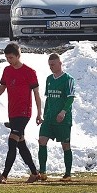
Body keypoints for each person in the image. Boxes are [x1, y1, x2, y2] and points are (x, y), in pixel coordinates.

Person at [0, 42, 42, 184]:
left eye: (11, 57)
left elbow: (36, 94)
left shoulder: (29, 72)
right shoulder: (7, 70)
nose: (8, 60)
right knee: (21, 144)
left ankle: (4, 175)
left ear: (18, 56)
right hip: (12, 112)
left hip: (24, 112)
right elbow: (2, 88)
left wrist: (39, 113)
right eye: (7, 57)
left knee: (12, 141)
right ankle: (35, 173)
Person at [37, 53, 76, 182]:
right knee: (42, 140)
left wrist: (63, 112)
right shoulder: (49, 79)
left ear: (60, 63)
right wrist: (44, 114)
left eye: (53, 64)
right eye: (49, 65)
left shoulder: (68, 79)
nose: (51, 67)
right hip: (49, 118)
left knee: (65, 145)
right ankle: (42, 172)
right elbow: (48, 98)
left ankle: (68, 174)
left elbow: (70, 98)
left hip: (63, 119)